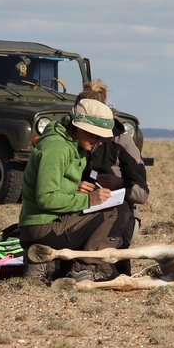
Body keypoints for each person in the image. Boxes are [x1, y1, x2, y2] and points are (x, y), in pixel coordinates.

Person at [19, 98, 120, 283]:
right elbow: (46, 199)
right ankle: (84, 267)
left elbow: (55, 186)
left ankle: (48, 262)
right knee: (111, 212)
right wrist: (89, 200)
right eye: (94, 135)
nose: (99, 141)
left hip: (46, 224)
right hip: (41, 226)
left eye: (101, 138)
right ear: (78, 127)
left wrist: (75, 189)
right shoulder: (57, 148)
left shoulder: (72, 145)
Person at [78, 80, 149, 272]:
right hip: (80, 210)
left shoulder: (121, 141)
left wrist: (120, 185)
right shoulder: (72, 141)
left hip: (120, 217)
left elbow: (142, 194)